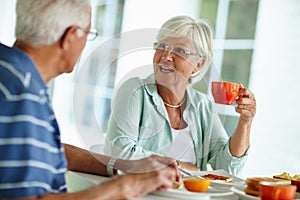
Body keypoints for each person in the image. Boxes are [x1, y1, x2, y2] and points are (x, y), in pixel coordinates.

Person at [0, 0, 179, 199]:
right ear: (69, 37)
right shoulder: (21, 95)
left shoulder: (12, 71)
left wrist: (126, 166)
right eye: (88, 33)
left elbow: (45, 149)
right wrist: (127, 187)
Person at [104, 15, 256, 175]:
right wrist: (177, 165)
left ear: (199, 64)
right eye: (162, 46)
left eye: (179, 51)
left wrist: (245, 122)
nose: (166, 56)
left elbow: (228, 168)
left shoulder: (202, 105)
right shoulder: (134, 91)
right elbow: (119, 153)